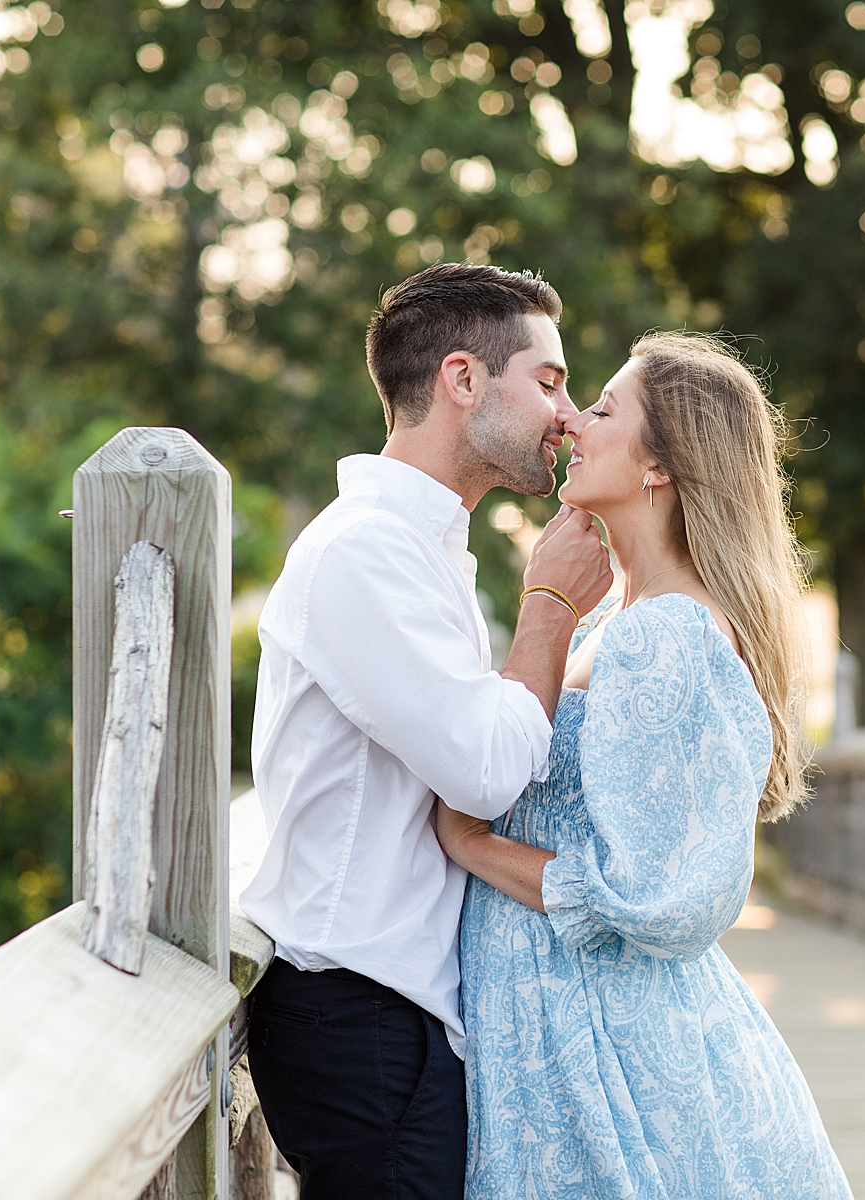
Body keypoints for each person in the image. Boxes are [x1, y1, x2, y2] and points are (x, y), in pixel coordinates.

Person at [435, 332, 854, 1198]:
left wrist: (474, 845)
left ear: (660, 463)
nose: (572, 421)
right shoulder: (619, 621)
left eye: (602, 408)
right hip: (569, 1026)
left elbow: (662, 896)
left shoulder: (666, 634)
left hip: (609, 1046)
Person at [239, 263, 614, 1199]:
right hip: (358, 1004)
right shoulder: (363, 551)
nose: (565, 417)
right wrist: (552, 608)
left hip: (392, 1006)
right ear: (462, 379)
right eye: (549, 382)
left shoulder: (426, 549)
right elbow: (485, 773)